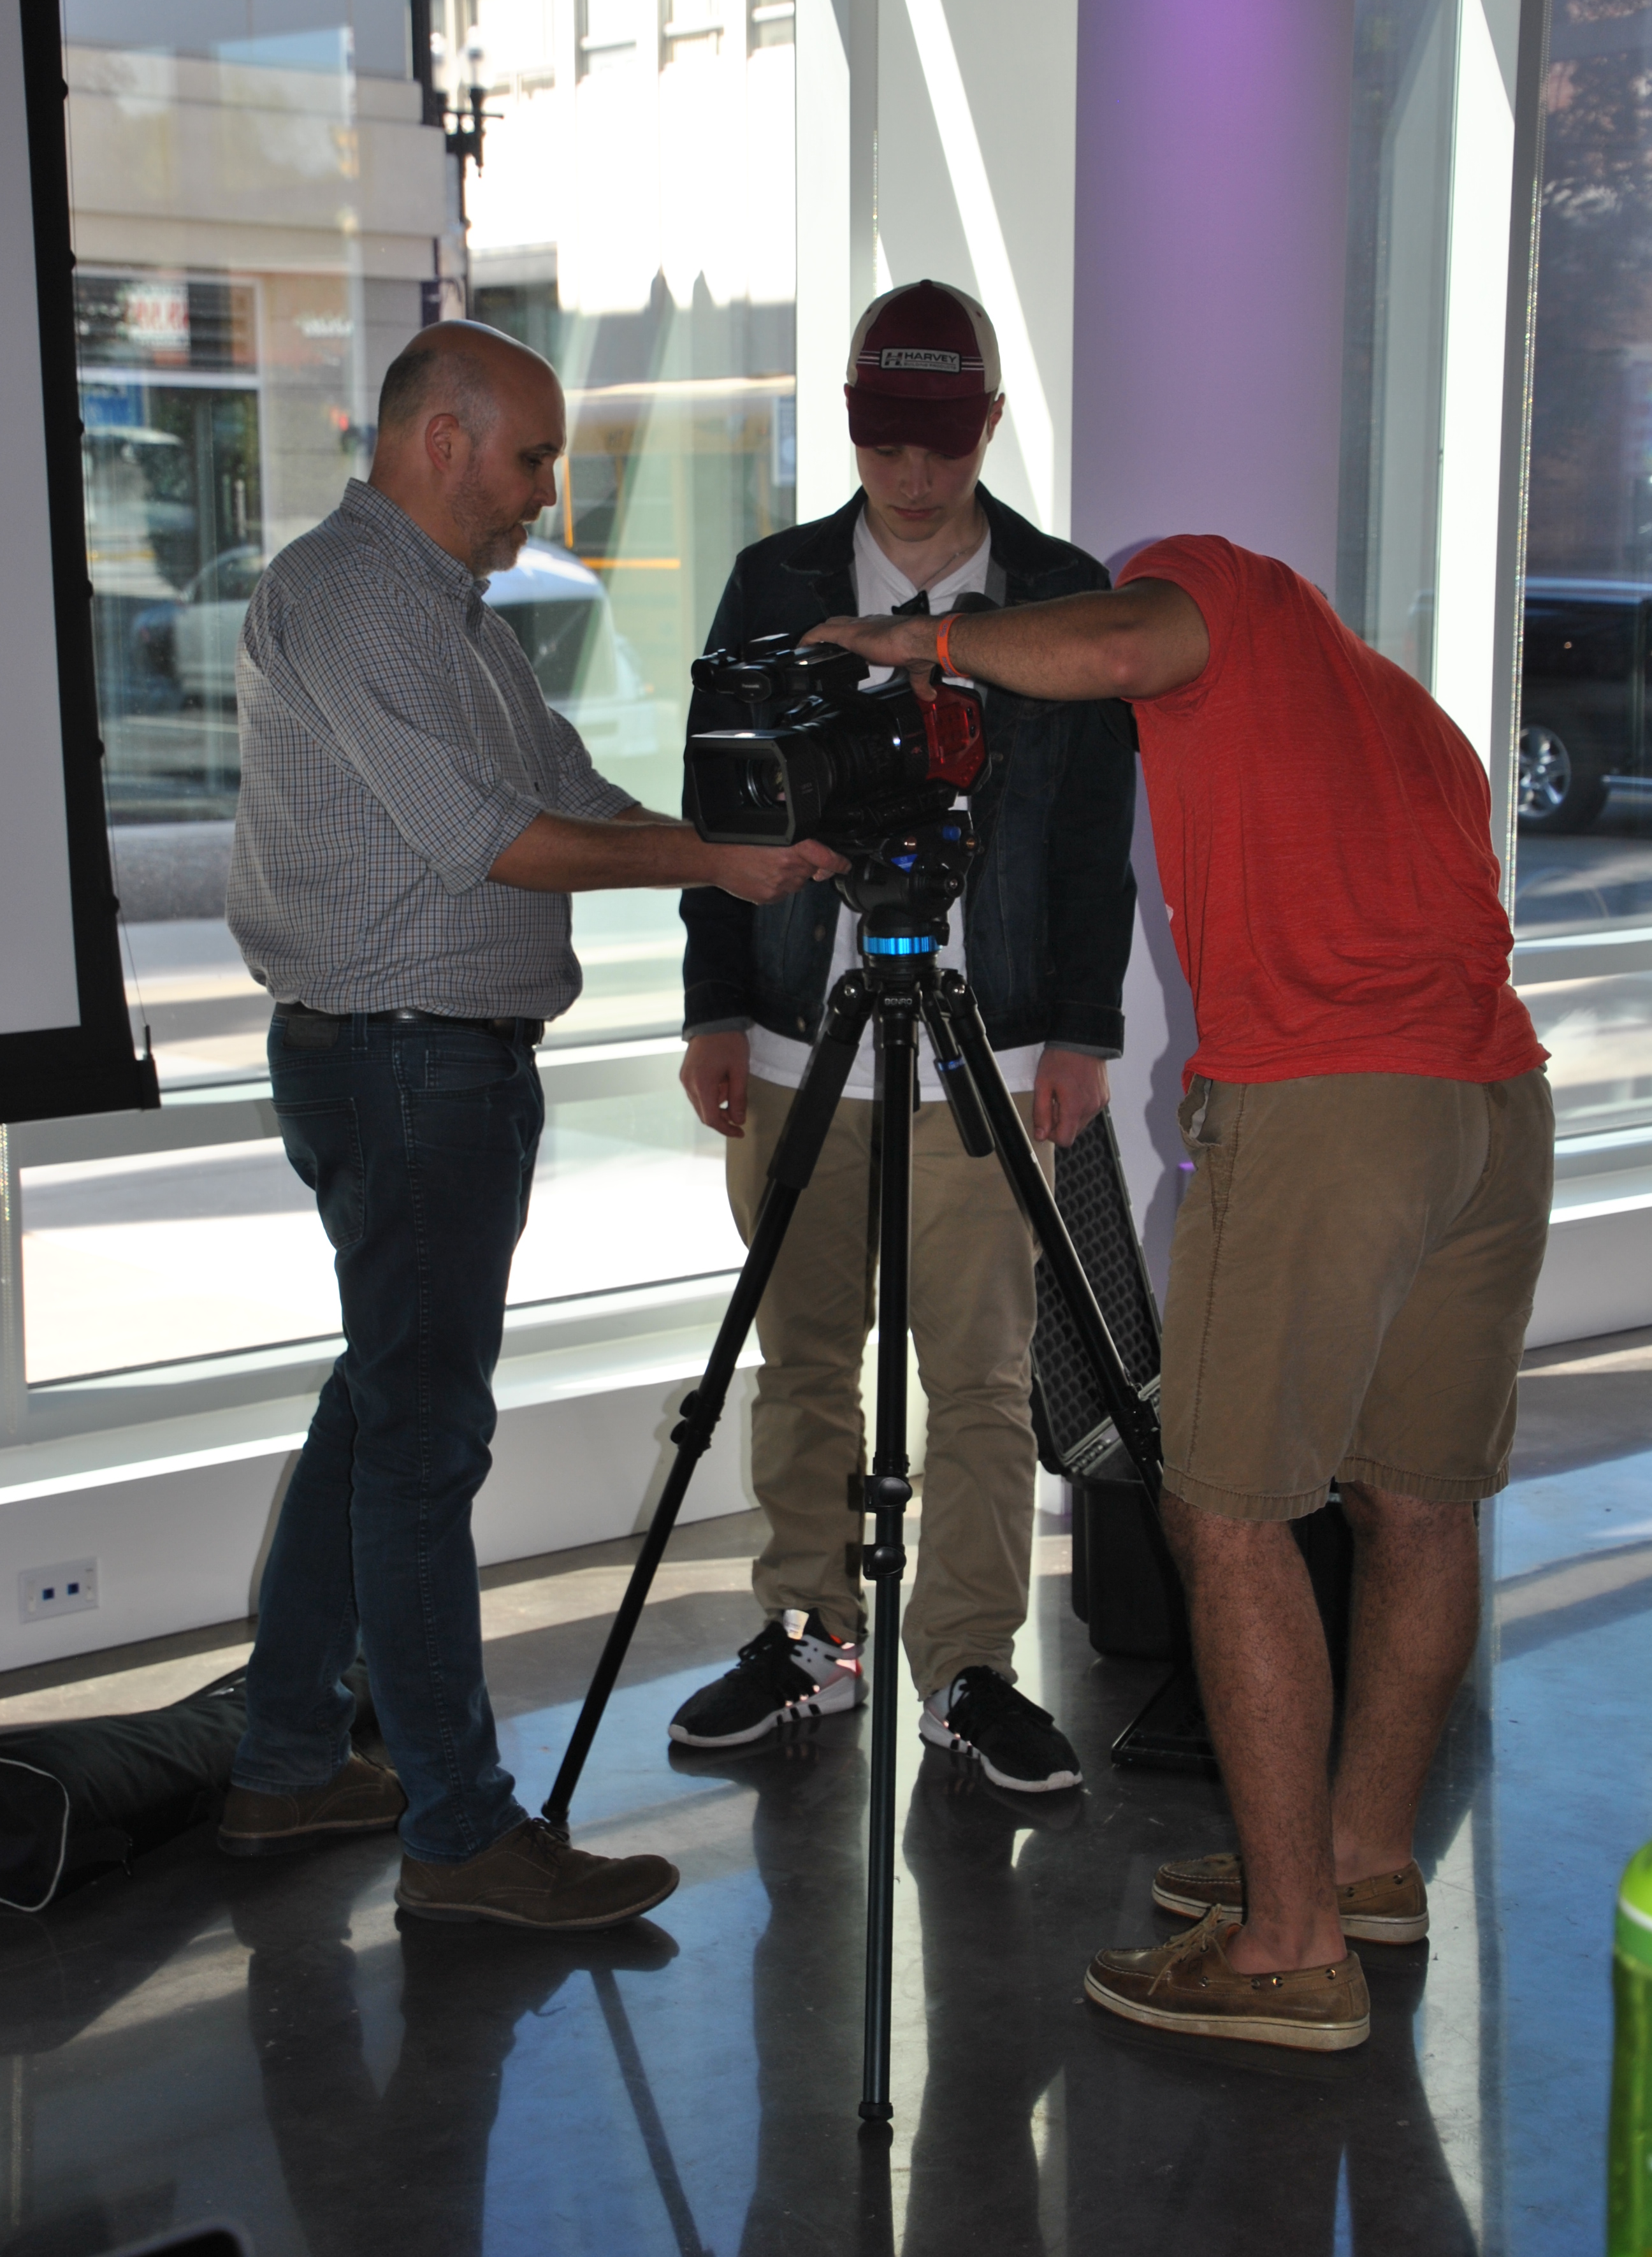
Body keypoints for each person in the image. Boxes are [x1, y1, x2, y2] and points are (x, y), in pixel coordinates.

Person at [808, 533, 1551, 2048]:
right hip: (1489, 1100)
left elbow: (1120, 645)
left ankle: (1285, 1950)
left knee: (1226, 1513)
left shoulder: (1225, 589)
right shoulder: (1407, 714)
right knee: (1418, 1504)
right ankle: (1356, 1865)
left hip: (1331, 1105)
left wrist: (917, 642)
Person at [218, 320, 843, 1929]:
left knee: (378, 1409)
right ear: (441, 439)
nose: (546, 493)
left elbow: (573, 791)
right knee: (424, 1448)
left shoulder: (459, 619)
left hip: (437, 1069)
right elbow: (490, 837)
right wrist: (709, 865)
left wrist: (745, 839)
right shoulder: (349, 596)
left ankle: (288, 1762)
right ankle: (460, 1835)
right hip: (402, 1070)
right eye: (531, 458)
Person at [670, 280, 1138, 1792]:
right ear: (850, 424)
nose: (915, 474)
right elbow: (716, 807)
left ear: (989, 424)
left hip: (988, 1051)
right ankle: (810, 1634)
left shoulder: (1058, 593)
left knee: (982, 1376)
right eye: (886, 440)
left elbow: (1091, 837)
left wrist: (1082, 1031)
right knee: (803, 1356)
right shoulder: (774, 581)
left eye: (943, 440)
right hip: (795, 1038)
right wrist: (714, 1005)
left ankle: (968, 1665)